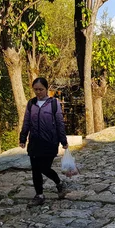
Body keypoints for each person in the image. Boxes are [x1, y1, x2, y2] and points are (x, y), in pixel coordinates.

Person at [20, 77, 68, 207]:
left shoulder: (54, 103)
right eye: (36, 90)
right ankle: (39, 195)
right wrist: (23, 138)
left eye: (41, 89)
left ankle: (59, 183)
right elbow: (27, 122)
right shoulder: (31, 104)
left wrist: (63, 140)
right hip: (35, 142)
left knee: (44, 168)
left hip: (50, 142)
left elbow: (59, 123)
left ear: (46, 89)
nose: (38, 92)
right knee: (35, 169)